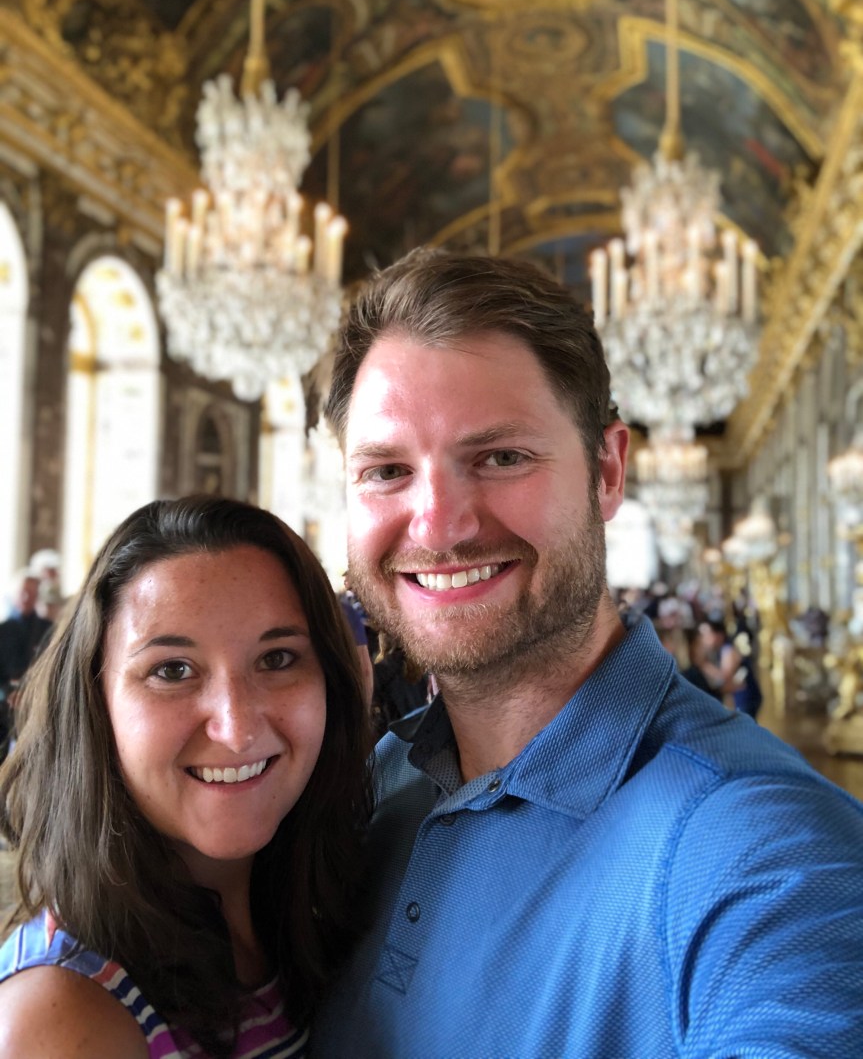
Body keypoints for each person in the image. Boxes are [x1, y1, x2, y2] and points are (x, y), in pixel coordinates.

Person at [313, 250, 863, 1058]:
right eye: (386, 470)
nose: (438, 526)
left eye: (500, 457)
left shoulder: (759, 845)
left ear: (606, 471)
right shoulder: (378, 785)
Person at [0, 496, 371, 1058]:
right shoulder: (62, 1017)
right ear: (95, 704)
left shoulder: (312, 912)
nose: (236, 729)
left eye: (276, 659)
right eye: (172, 670)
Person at [0, 570, 53, 760]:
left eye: (31, 592)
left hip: (37, 705)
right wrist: (7, 693)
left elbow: (52, 670)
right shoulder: (3, 630)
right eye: (23, 591)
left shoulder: (49, 630)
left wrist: (30, 693)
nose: (26, 597)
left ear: (37, 595)